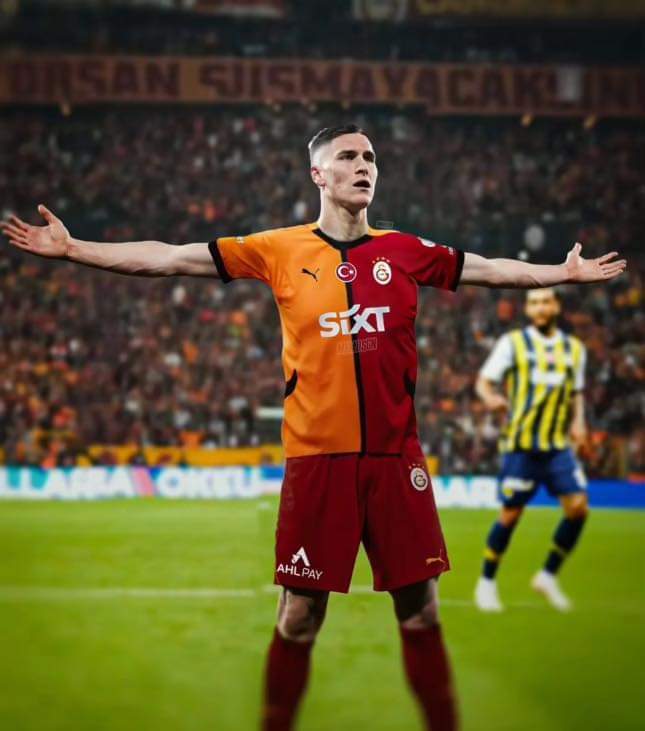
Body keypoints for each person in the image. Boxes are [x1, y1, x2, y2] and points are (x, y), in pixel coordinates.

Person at [1, 123, 626, 731]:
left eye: (370, 157)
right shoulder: (278, 248)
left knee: (421, 613)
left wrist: (562, 274)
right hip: (318, 462)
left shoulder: (404, 250)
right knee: (299, 616)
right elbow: (170, 257)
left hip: (396, 461)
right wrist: (76, 249)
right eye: (349, 156)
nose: (364, 166)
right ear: (318, 174)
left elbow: (488, 269)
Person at [474, 288, 591, 613]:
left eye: (545, 302)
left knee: (578, 508)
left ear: (556, 306)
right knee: (511, 515)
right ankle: (486, 581)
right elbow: (484, 381)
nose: (540, 308)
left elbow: (577, 393)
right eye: (534, 303)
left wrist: (579, 423)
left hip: (557, 447)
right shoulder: (512, 344)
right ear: (527, 309)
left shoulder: (575, 350)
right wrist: (490, 398)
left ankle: (547, 576)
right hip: (521, 446)